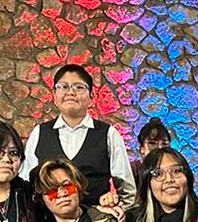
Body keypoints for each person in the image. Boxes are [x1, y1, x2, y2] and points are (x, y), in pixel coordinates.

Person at [20, 64, 135, 209]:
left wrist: (116, 212)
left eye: (78, 87)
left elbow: (128, 191)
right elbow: (26, 182)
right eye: (63, 87)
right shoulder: (40, 133)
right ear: (54, 95)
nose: (70, 92)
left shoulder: (108, 134)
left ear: (91, 97)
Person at [130, 117, 172, 191]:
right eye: (152, 143)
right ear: (141, 147)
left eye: (164, 144)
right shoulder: (132, 170)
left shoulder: (173, 170)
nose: (159, 148)